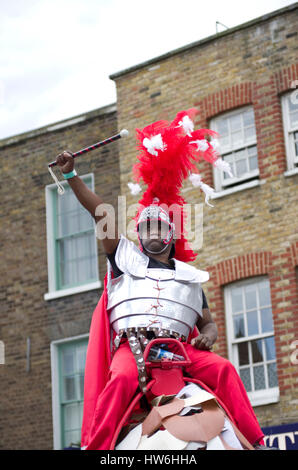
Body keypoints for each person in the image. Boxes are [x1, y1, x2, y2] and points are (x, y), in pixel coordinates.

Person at [54, 109, 270, 450]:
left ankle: (256, 442)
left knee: (225, 369)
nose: (152, 233)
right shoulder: (124, 259)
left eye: (159, 227)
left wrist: (208, 338)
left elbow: (209, 323)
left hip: (180, 349)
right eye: (145, 228)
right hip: (134, 345)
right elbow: (102, 212)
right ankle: (95, 448)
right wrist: (72, 176)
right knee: (121, 379)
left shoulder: (189, 277)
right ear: (138, 234)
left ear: (171, 234)